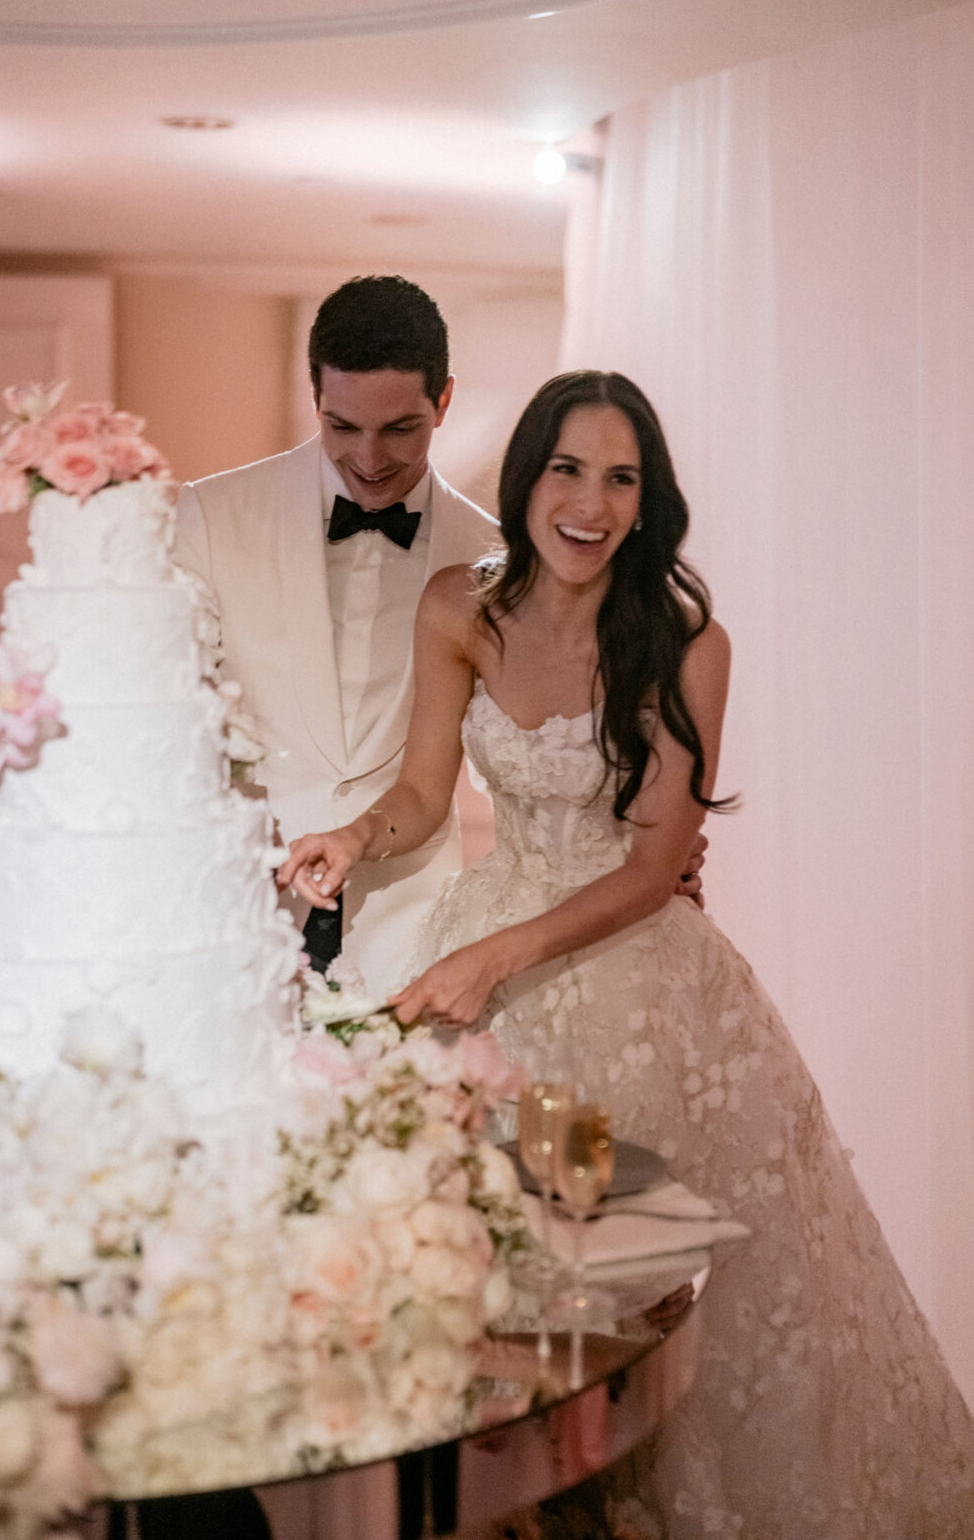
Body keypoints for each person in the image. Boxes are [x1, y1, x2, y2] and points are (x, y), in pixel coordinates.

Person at [279, 371, 974, 1539]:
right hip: (489, 953)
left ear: (646, 502)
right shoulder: (459, 606)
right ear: (527, 477)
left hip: (635, 985)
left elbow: (652, 869)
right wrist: (352, 838)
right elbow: (417, 790)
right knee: (478, 1277)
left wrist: (500, 955)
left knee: (617, 1296)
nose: (588, 502)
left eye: (620, 477)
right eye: (567, 468)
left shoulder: (689, 645)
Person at [176, 277, 706, 991]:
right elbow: (167, 713)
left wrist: (651, 841)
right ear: (316, 401)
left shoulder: (500, 561)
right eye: (342, 427)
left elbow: (560, 731)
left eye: (399, 429)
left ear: (444, 401)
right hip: (237, 907)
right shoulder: (211, 516)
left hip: (416, 923)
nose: (367, 457)